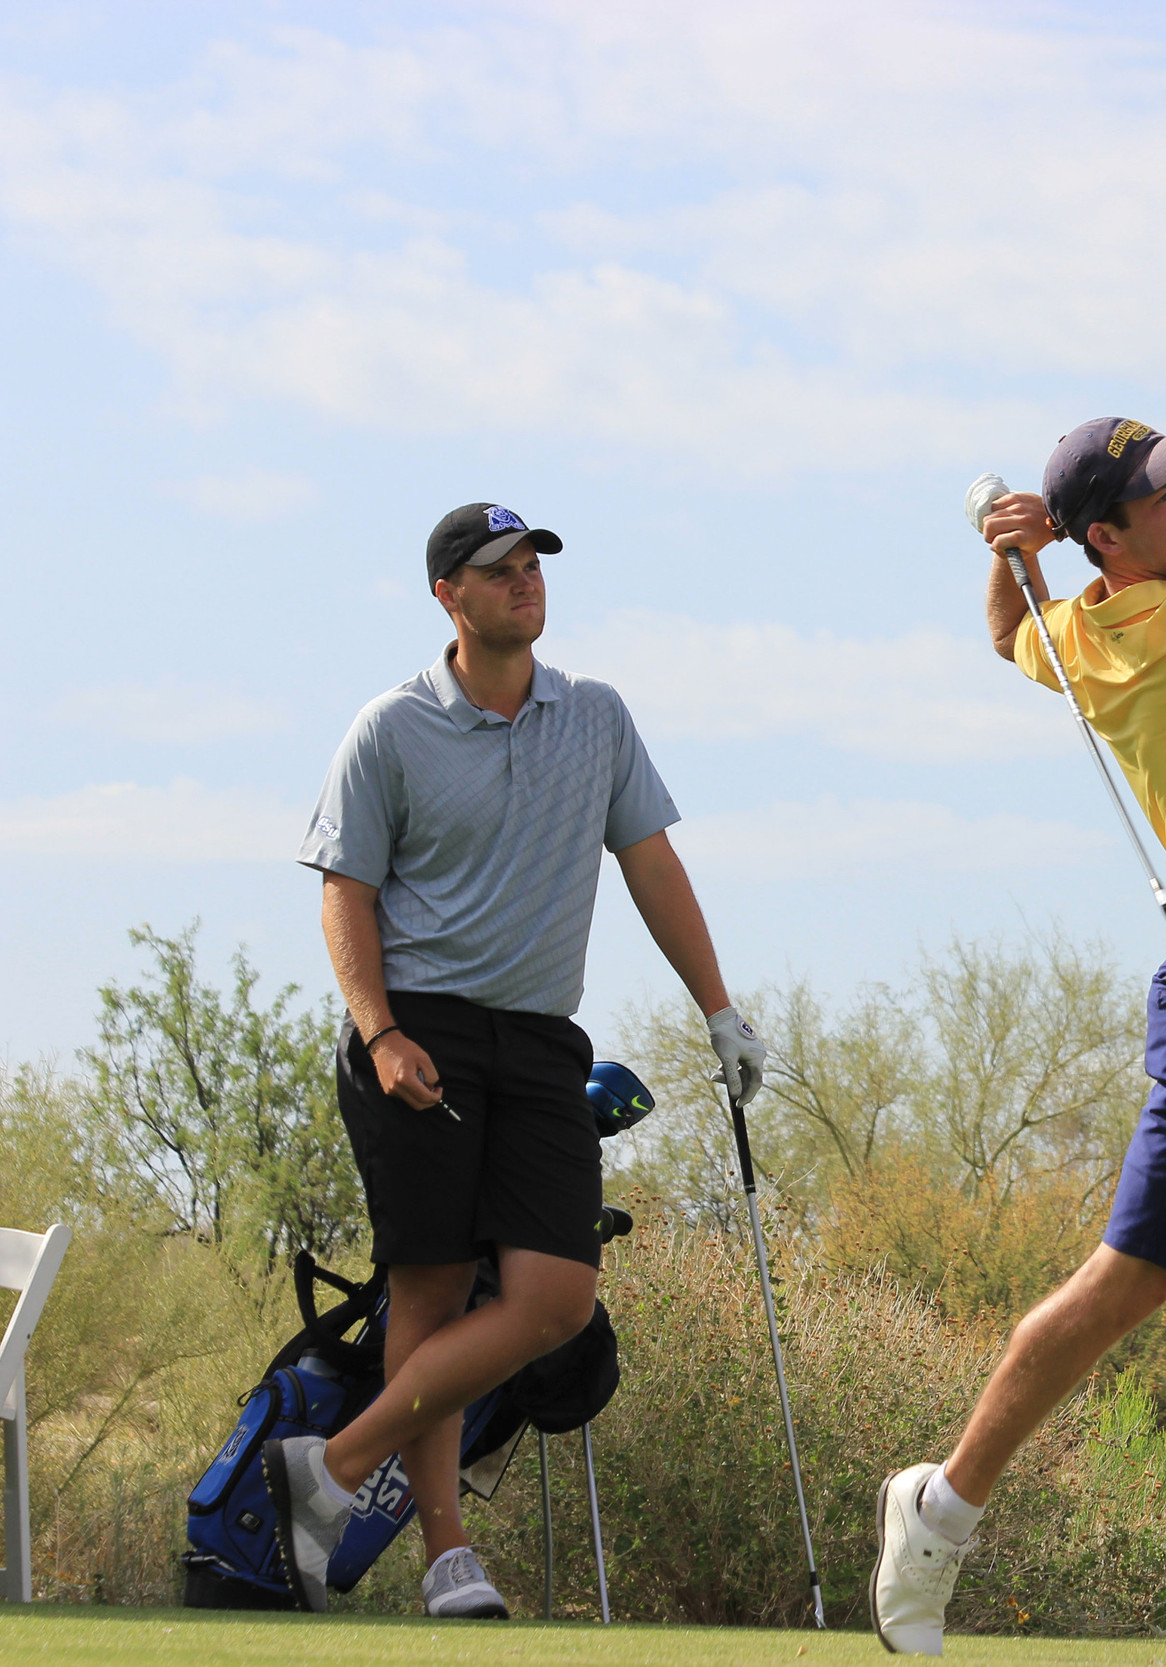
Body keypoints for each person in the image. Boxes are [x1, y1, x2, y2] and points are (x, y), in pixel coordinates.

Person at [871, 421, 1166, 1665]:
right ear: (1108, 537)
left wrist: (1010, 551)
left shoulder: (1089, 635)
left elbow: (1006, 634)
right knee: (1131, 1277)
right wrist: (1038, 534)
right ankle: (942, 1503)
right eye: (1159, 494)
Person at [267, 502, 770, 1619]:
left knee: (553, 1294)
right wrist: (380, 1030)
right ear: (448, 595)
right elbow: (343, 893)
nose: (523, 582)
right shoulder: (390, 728)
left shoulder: (595, 715)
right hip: (421, 1032)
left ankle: (333, 1467)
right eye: (496, 570)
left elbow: (651, 863)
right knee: (433, 1285)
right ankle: (448, 1551)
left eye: (531, 563)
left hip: (542, 1038)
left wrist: (719, 1009)